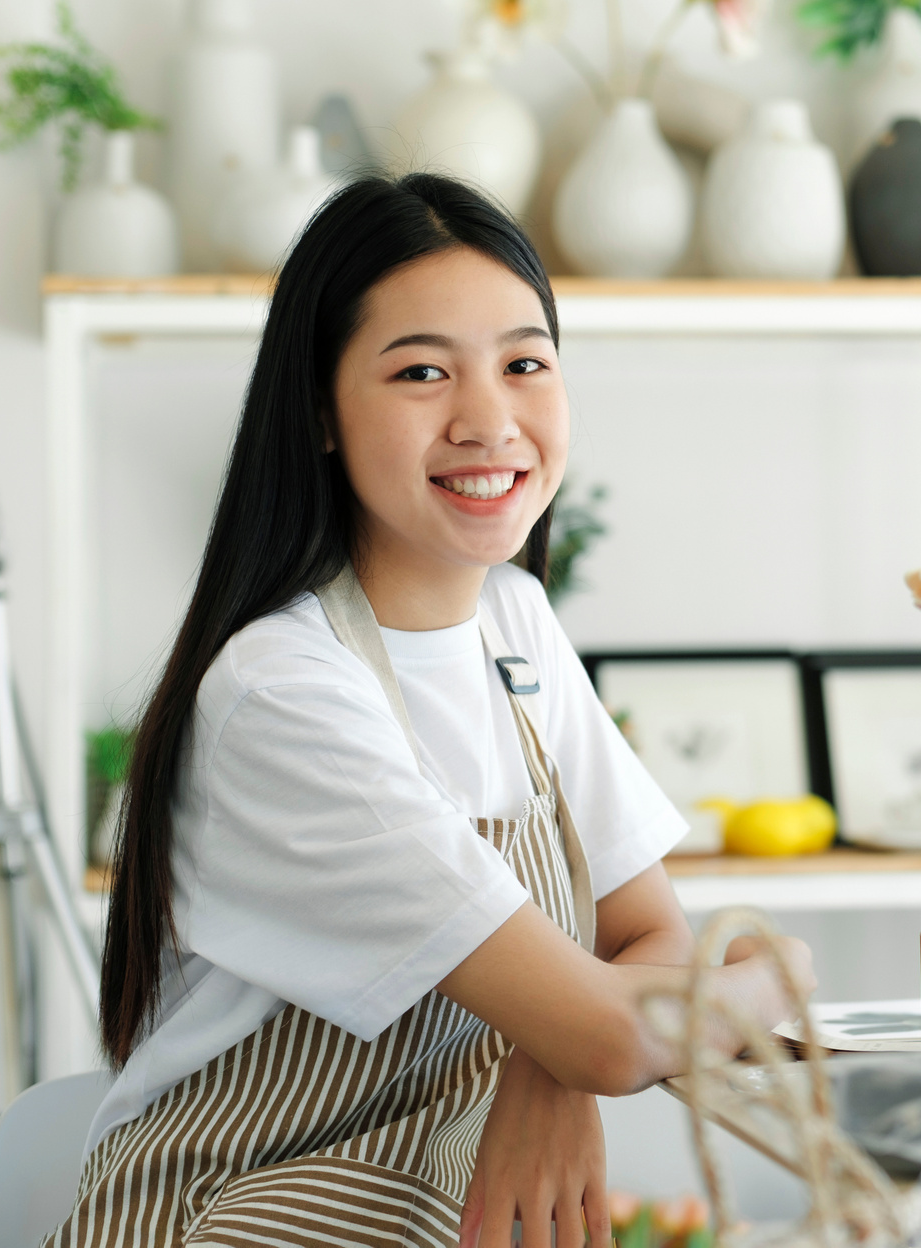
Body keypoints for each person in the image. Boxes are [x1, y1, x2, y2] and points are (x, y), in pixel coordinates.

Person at [50, 172, 812, 1248]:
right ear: (319, 408)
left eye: (524, 363)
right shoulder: (282, 694)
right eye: (421, 371)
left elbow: (645, 935)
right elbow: (614, 1024)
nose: (488, 420)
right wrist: (780, 973)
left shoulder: (516, 624)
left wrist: (552, 1063)